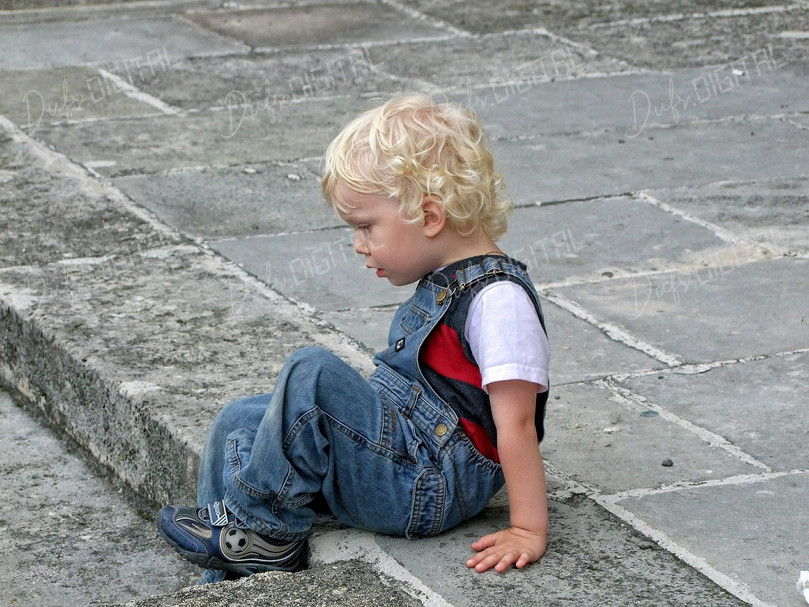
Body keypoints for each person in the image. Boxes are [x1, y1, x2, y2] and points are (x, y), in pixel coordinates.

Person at [157, 94, 551, 581]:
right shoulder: (448, 277)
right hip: (404, 451)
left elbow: (517, 425)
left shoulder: (499, 302)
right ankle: (229, 568)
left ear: (430, 216)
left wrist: (528, 529)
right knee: (240, 417)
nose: (358, 244)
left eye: (367, 227)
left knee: (312, 372)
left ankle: (265, 533)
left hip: (428, 484)